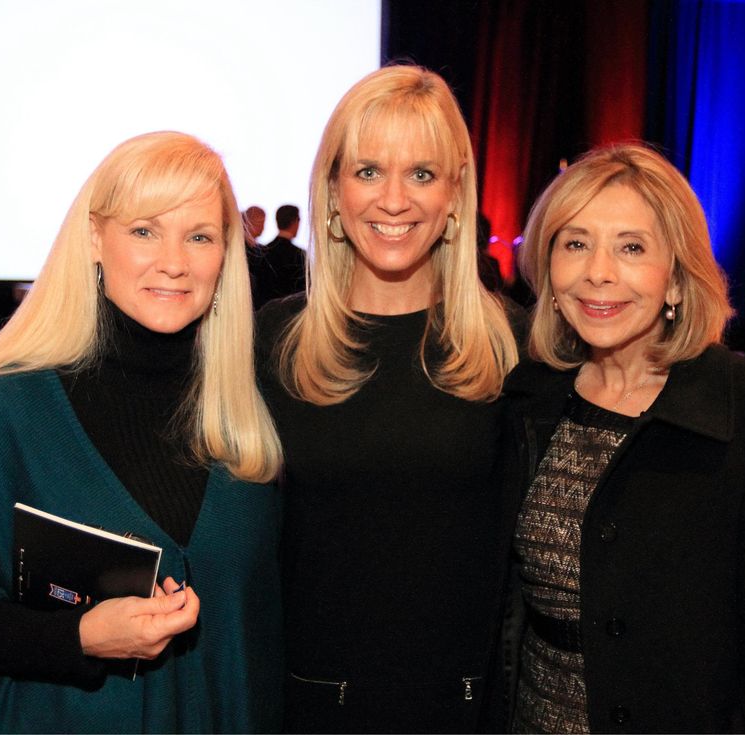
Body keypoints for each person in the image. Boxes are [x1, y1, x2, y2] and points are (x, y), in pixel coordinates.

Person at [0, 132, 285, 733]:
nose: (173, 261)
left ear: (225, 255)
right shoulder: (3, 415)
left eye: (199, 236)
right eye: (144, 230)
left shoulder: (252, 418)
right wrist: (79, 637)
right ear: (95, 238)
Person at [495, 143, 745, 732]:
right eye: (575, 243)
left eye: (631, 247)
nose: (598, 271)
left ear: (676, 277)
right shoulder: (528, 396)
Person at [256, 65, 523, 733]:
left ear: (456, 193)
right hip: (309, 707)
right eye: (369, 171)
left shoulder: (513, 346)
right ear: (334, 190)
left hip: (466, 708)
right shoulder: (270, 341)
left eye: (423, 174)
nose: (394, 200)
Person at [252, 204, 306, 309]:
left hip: (264, 314)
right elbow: (304, 293)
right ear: (295, 221)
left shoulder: (263, 253)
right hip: (291, 314)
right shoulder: (300, 255)